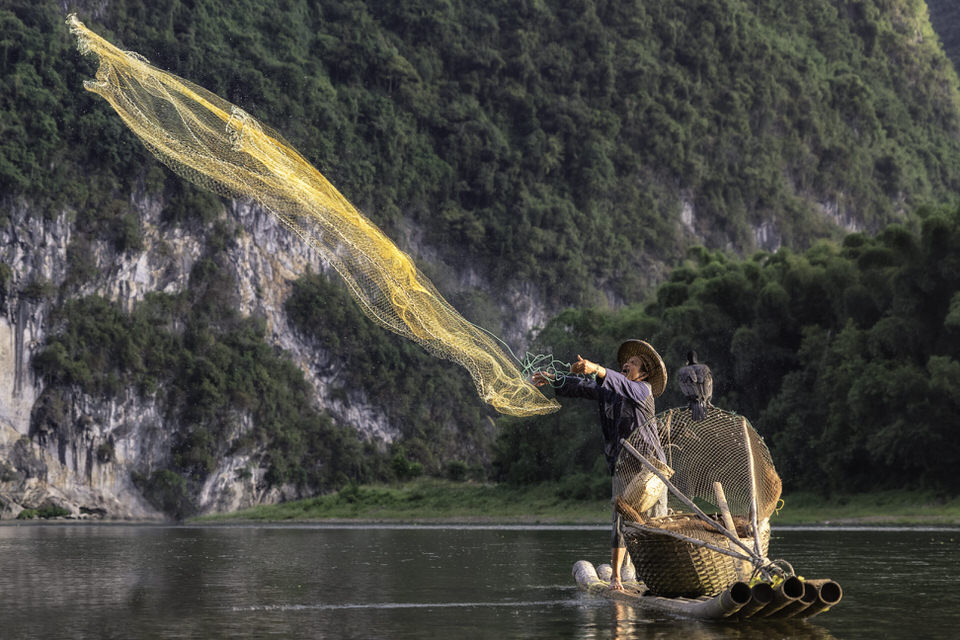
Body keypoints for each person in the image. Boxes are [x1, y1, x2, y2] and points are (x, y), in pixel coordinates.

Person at [532, 339, 668, 591]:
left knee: (655, 523)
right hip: (623, 465)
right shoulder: (608, 390)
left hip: (650, 467)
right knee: (620, 519)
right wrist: (552, 378)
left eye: (634, 363)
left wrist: (595, 368)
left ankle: (658, 577)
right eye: (626, 362)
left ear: (644, 374)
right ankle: (616, 577)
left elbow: (615, 379)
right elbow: (581, 386)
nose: (627, 364)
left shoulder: (643, 390)